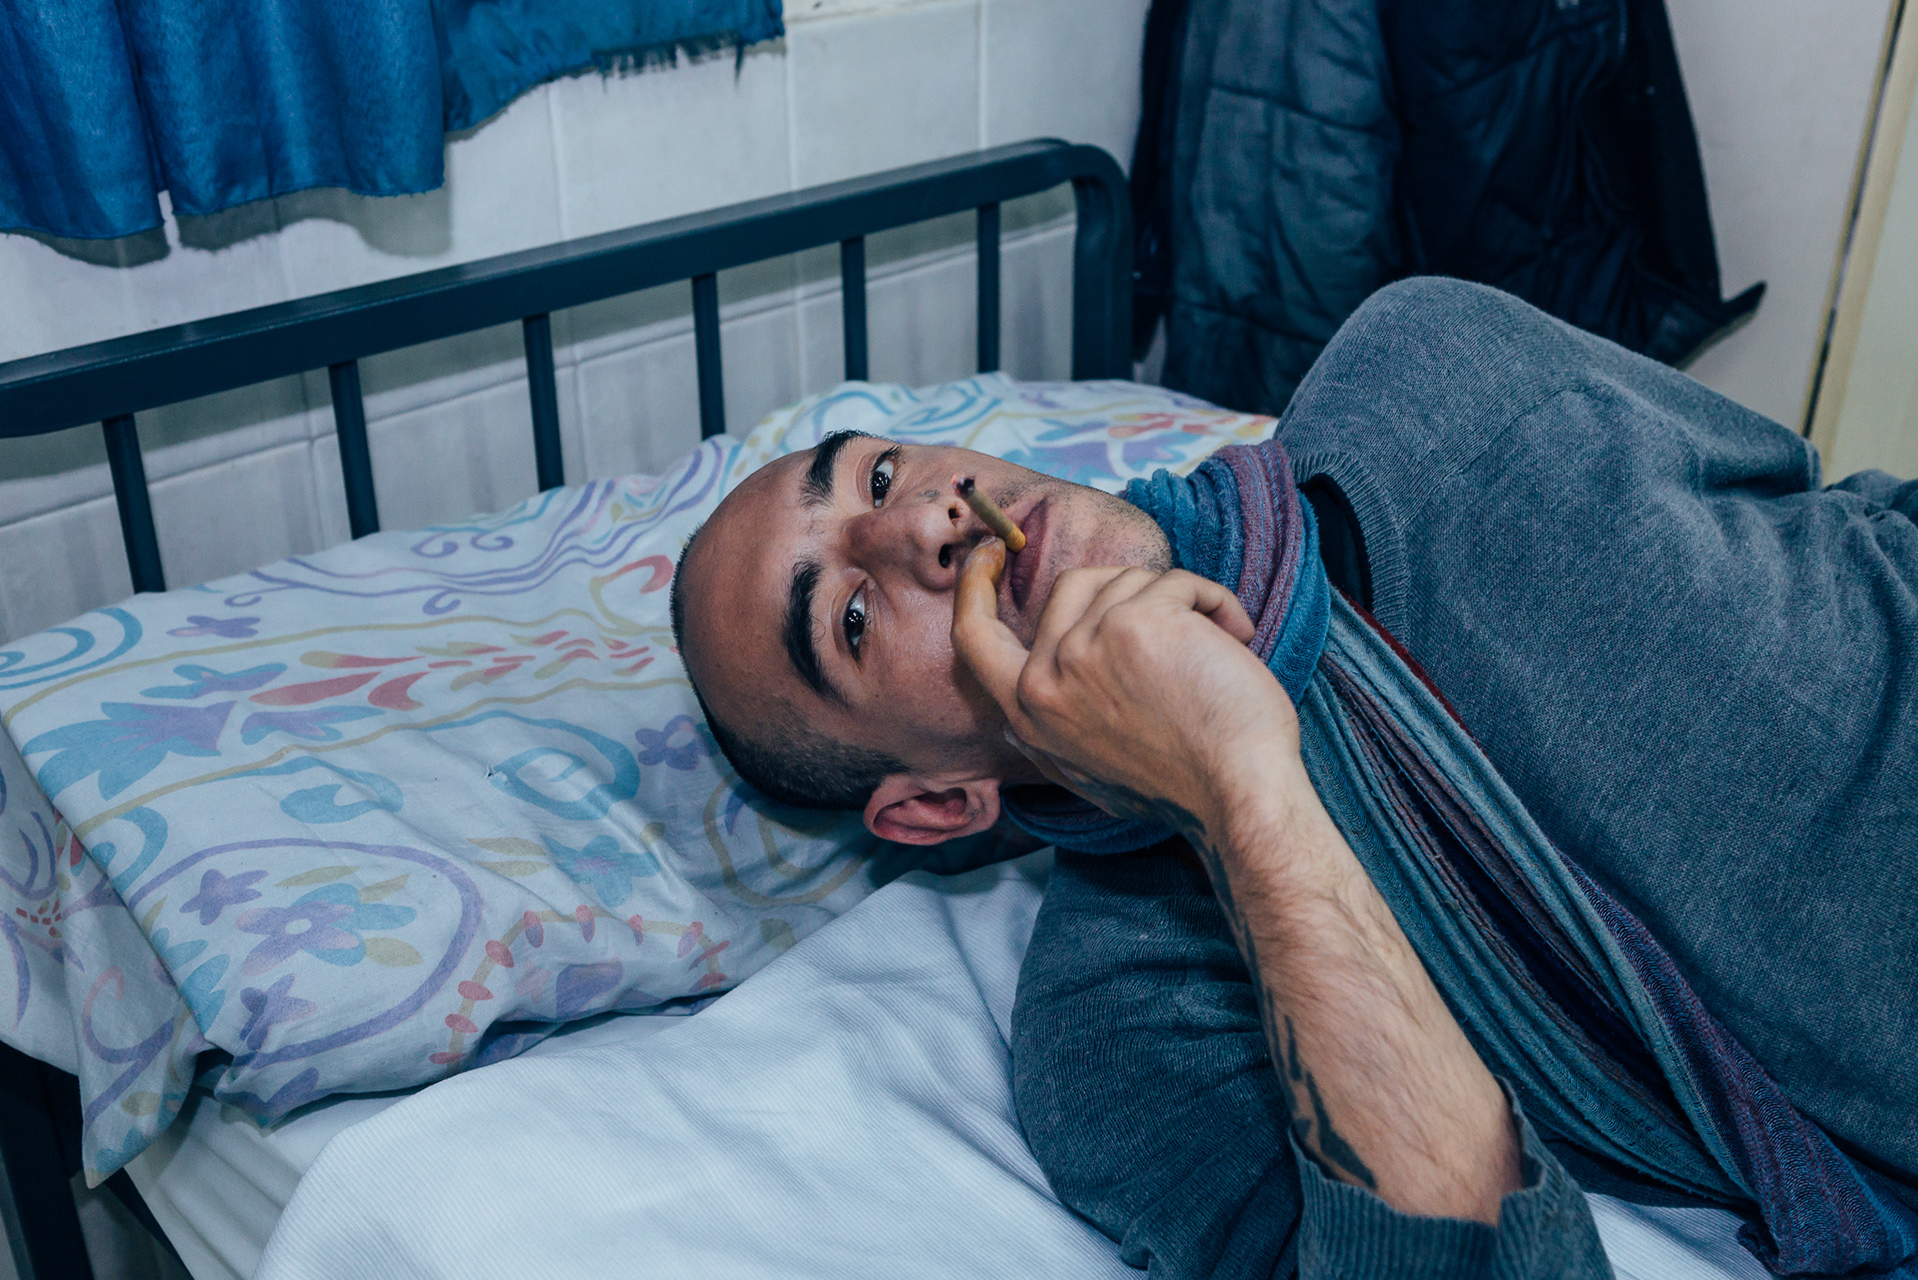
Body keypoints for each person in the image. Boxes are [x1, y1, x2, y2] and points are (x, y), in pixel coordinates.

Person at [669, 278, 1918, 1279]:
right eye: (849, 617)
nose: (921, 524)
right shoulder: (1126, 1026)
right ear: (938, 805)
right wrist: (1239, 785)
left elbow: (1808, 496)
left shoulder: (1428, 361)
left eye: (879, 473)